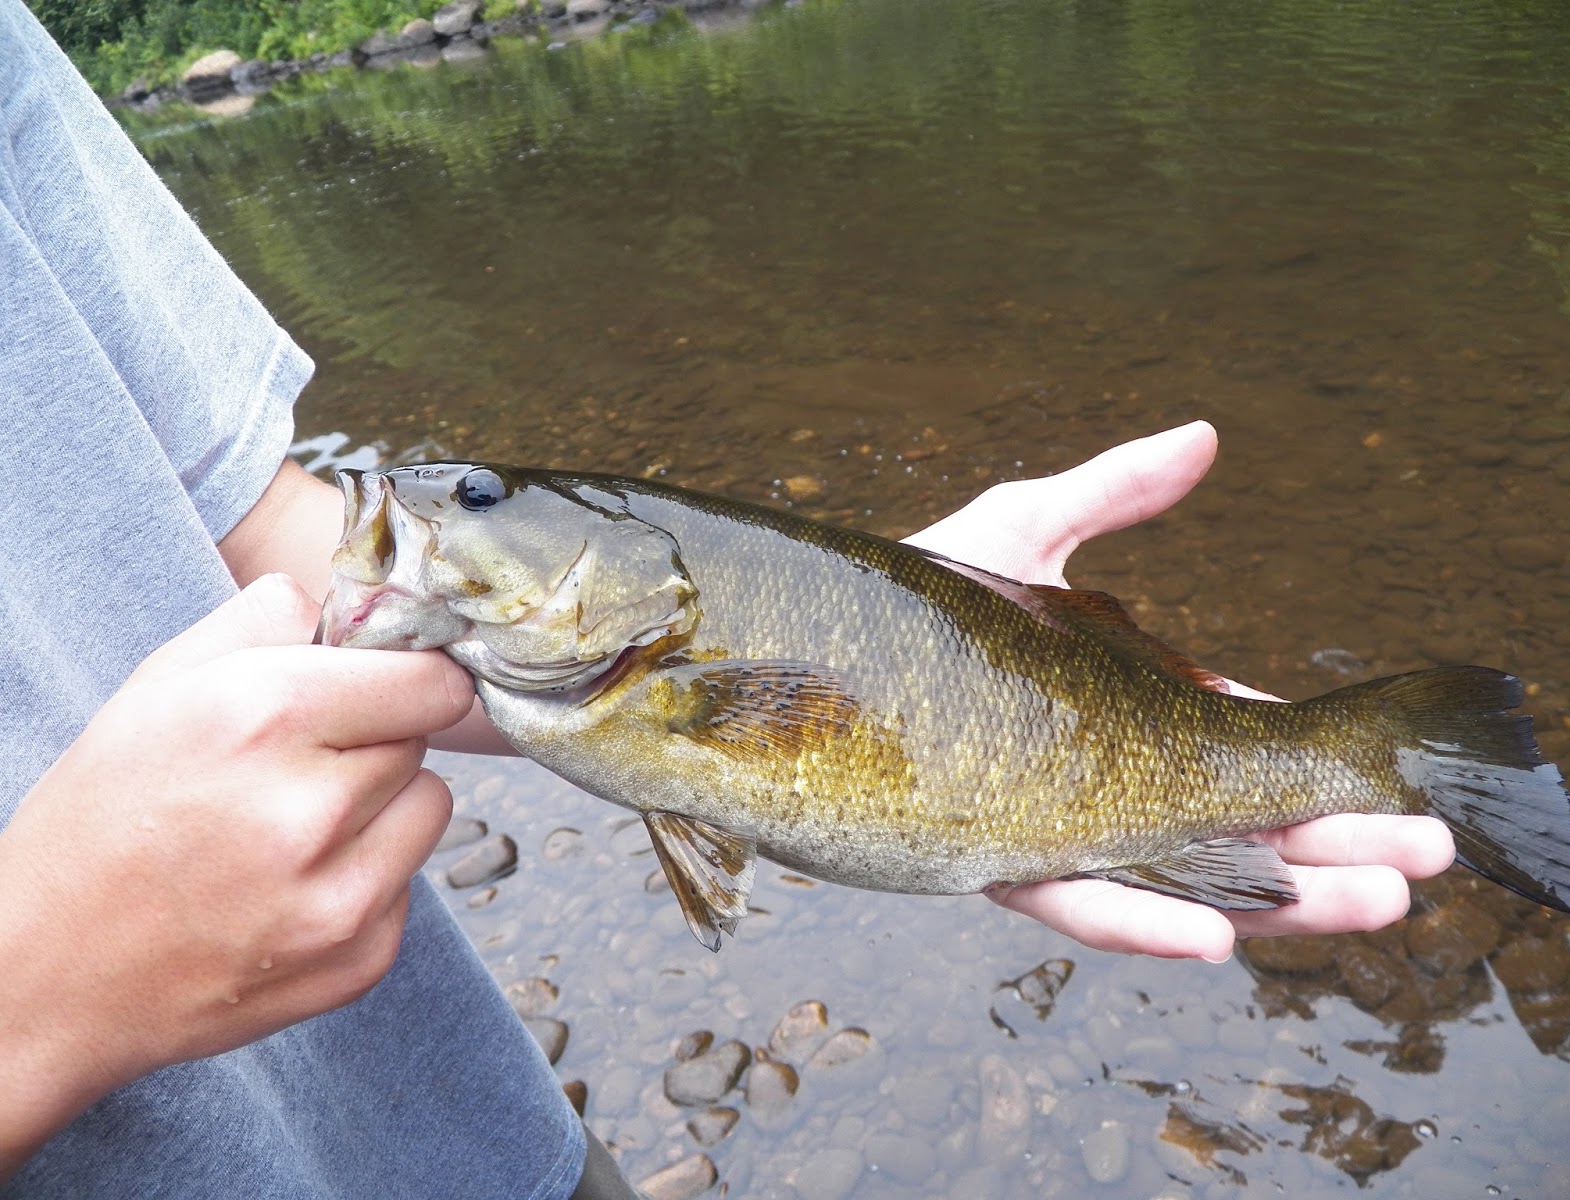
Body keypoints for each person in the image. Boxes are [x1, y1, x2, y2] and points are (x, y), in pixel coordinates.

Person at [0, 1, 1455, 1192]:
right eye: (473, 504)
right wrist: (41, 1004)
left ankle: (1360, 750)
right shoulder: (631, 654)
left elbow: (253, 514)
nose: (439, 507)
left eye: (484, 500)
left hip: (470, 1135)